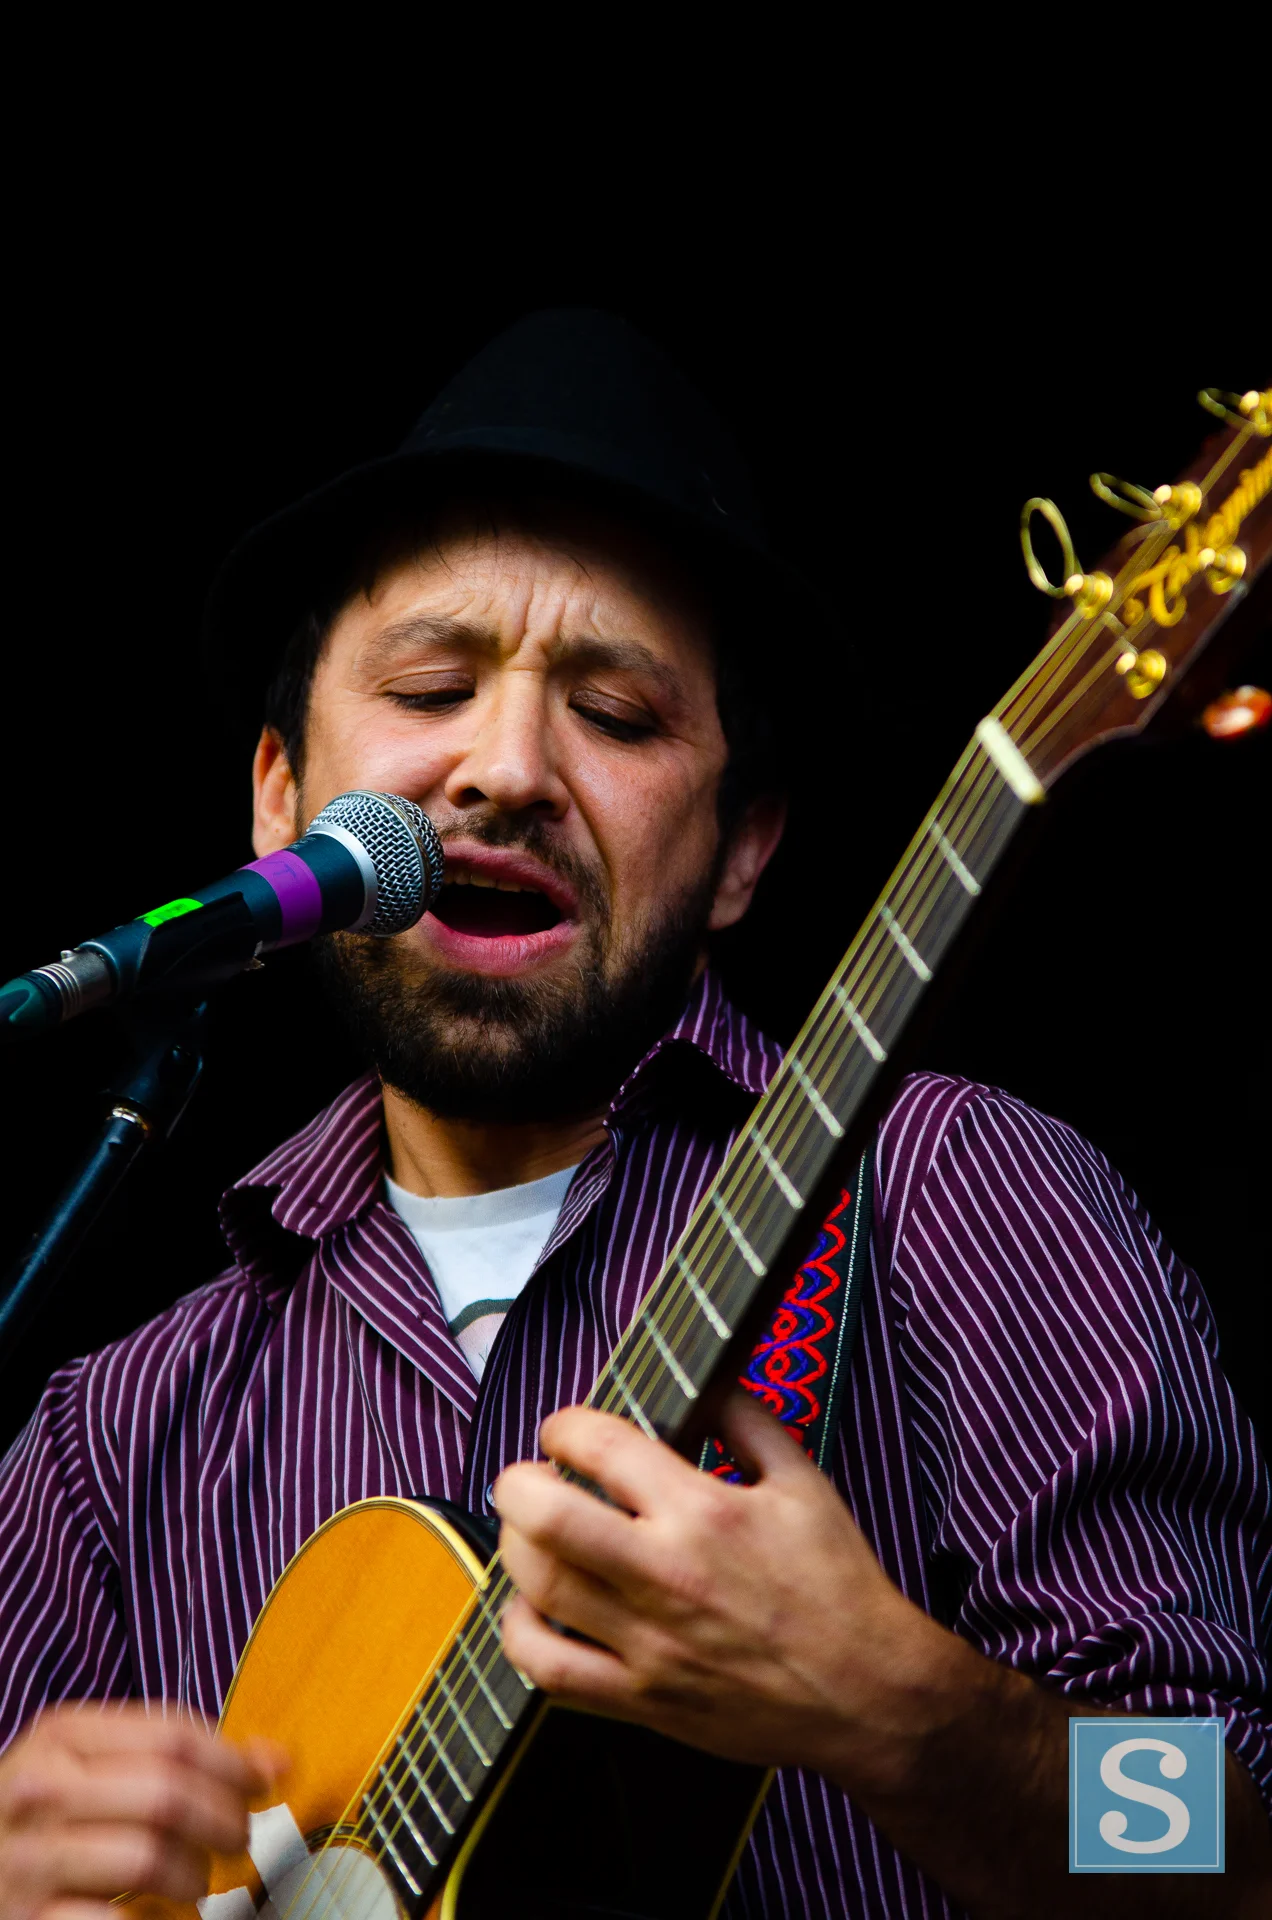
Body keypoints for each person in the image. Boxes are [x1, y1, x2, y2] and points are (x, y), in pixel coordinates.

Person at [0, 311, 1268, 1920]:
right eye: (432, 685)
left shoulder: (957, 1196)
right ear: (279, 794)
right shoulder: (112, 1442)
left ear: (741, 850)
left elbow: (1239, 1843)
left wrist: (911, 1717)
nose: (507, 768)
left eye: (616, 717)